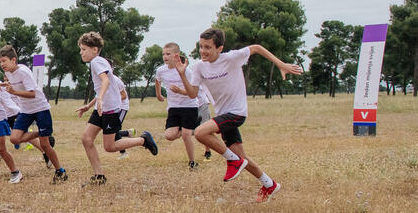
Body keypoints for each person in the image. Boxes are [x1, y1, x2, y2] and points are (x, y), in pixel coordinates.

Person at [175, 27, 303, 202]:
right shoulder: (198, 67)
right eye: (201, 46)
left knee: (199, 133)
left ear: (219, 48)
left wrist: (281, 64)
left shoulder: (232, 58)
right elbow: (192, 94)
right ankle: (269, 184)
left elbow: (257, 47)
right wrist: (182, 74)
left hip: (237, 112)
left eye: (208, 47)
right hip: (223, 114)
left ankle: (233, 161)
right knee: (242, 157)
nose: (203, 51)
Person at [76, 32, 158, 185]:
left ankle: (143, 140)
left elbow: (105, 81)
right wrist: (89, 105)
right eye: (80, 49)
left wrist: (100, 98)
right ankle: (99, 176)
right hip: (101, 108)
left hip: (110, 109)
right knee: (87, 139)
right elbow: (102, 86)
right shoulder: (98, 62)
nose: (81, 52)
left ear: (95, 49)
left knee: (110, 146)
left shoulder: (96, 62)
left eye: (84, 49)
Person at [0, 45, 67, 183]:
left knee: (45, 145)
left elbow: (32, 93)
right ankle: (43, 133)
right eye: (0, 62)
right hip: (26, 111)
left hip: (40, 108)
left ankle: (60, 170)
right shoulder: (9, 74)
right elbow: (13, 86)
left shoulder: (23, 71)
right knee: (14, 138)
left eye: (4, 61)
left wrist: (14, 92)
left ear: (13, 60)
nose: (2, 64)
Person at [155, 43, 202, 168]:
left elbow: (193, 92)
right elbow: (157, 80)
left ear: (176, 55)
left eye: (168, 54)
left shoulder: (187, 71)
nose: (165, 56)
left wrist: (180, 91)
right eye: (163, 54)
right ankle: (193, 128)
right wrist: (159, 94)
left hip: (189, 105)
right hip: (173, 107)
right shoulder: (161, 70)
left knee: (186, 136)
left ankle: (192, 162)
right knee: (169, 136)